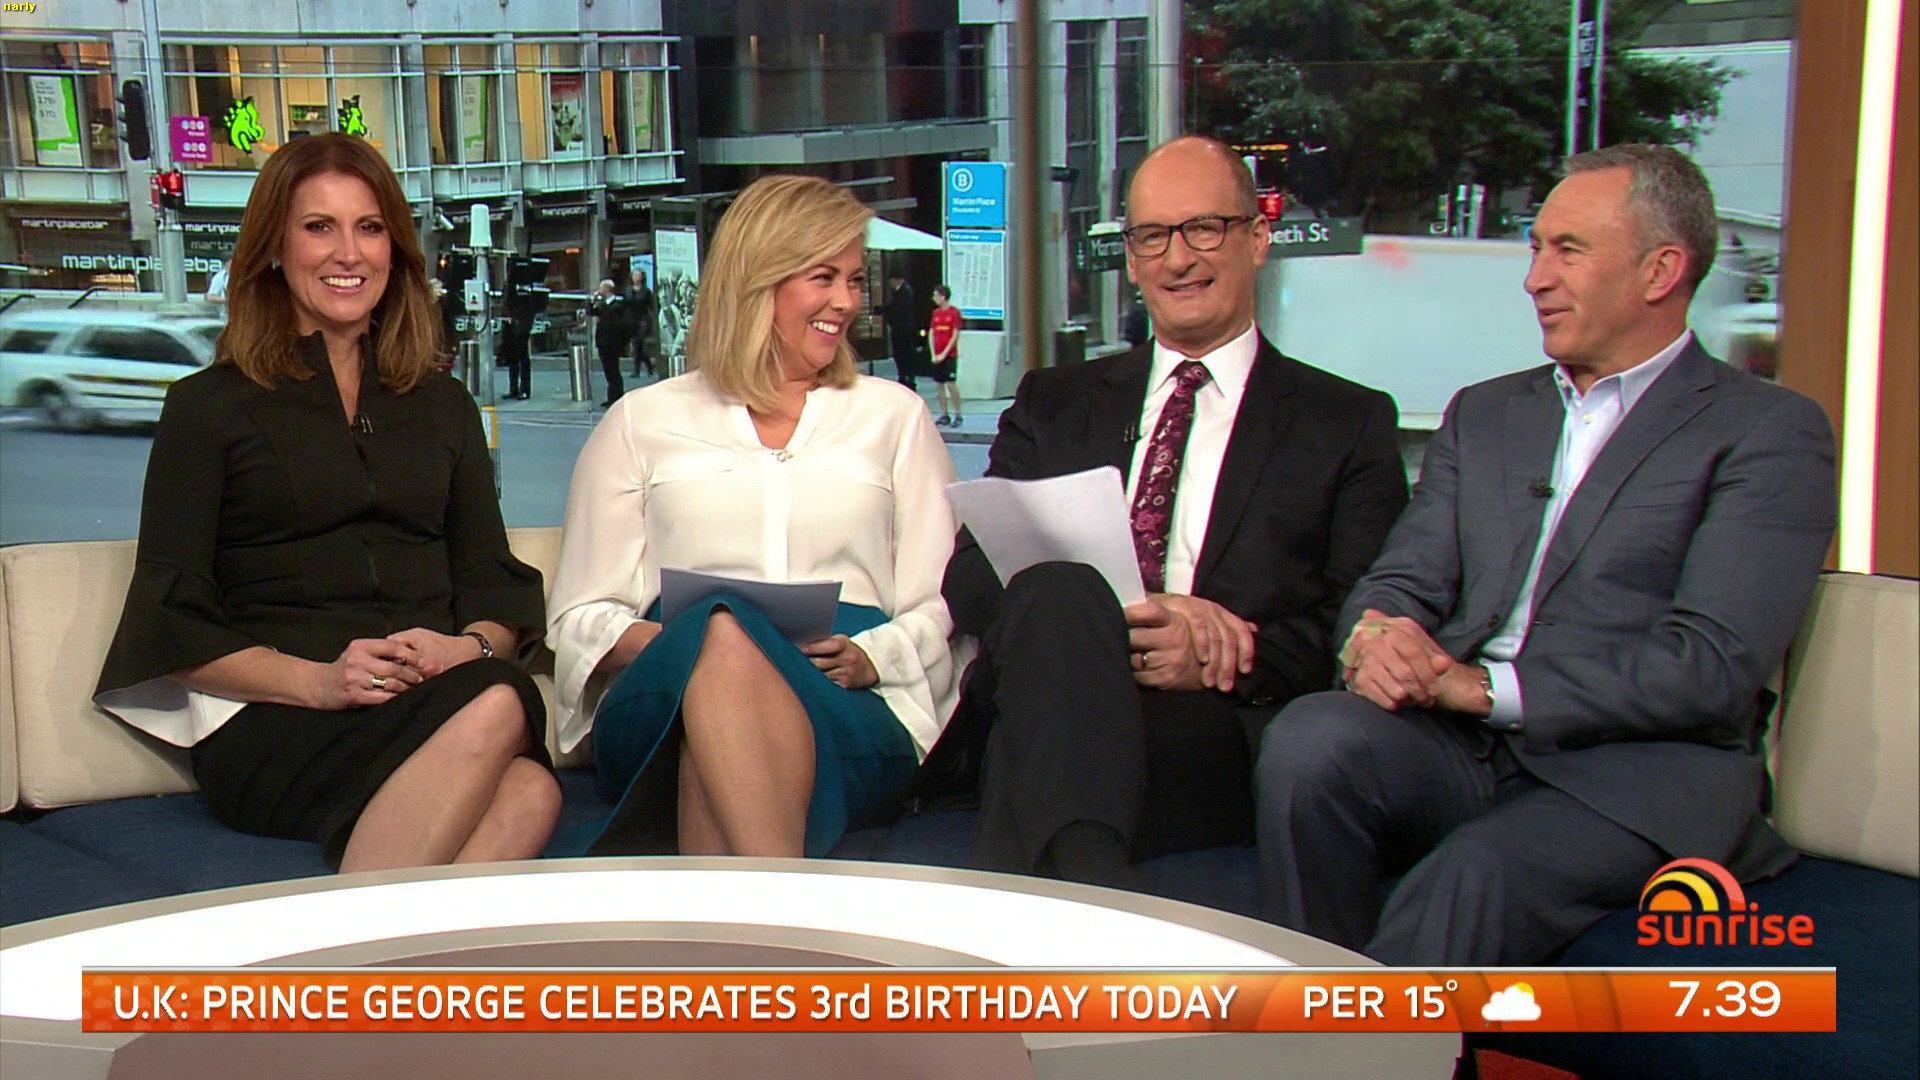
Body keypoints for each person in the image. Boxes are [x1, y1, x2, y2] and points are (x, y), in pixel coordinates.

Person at [1255, 144, 1838, 966]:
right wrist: (1377, 636)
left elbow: (1710, 664)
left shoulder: (1767, 431)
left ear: (1661, 271)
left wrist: (1483, 687)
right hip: (1460, 746)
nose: (1535, 278)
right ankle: (1316, 998)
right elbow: (1403, 577)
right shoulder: (1486, 413)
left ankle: (1360, 1035)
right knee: (1311, 740)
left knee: (1473, 875)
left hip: (1635, 773)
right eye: (1536, 249)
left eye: (1568, 250)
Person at [931, 136, 1409, 888]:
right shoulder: (1054, 401)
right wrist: (1109, 613)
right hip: (1042, 681)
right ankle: (1092, 889)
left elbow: (1359, 622)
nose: (1178, 259)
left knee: (1038, 755)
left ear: (1258, 238)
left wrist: (1222, 649)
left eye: (1203, 229)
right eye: (1152, 236)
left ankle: (1062, 897)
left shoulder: (1344, 422)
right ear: (1130, 258)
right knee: (1059, 590)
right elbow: (970, 581)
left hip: (1202, 721)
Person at [92, 132, 559, 874]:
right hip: (279, 719)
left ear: (394, 250)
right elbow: (171, 620)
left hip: (435, 697)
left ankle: (374, 944)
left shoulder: (443, 406)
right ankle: (358, 937)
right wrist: (319, 681)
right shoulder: (207, 408)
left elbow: (491, 584)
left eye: (369, 228)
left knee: (532, 789)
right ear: (275, 248)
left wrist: (462, 649)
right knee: (504, 706)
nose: (349, 253)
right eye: (319, 227)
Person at [546, 175, 961, 859]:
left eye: (855, 280)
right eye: (823, 277)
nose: (846, 301)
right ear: (757, 281)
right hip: (664, 684)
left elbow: (938, 602)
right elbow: (577, 618)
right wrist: (696, 645)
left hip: (842, 693)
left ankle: (744, 915)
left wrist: (875, 653)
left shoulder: (897, 418)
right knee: (723, 641)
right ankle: (785, 907)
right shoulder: (641, 421)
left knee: (711, 741)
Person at [588, 278, 629, 408]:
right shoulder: (604, 304)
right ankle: (612, 397)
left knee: (613, 372)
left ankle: (616, 397)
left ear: (606, 289)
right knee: (608, 372)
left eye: (601, 288)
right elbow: (590, 312)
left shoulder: (617, 305)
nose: (599, 291)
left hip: (612, 344)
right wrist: (592, 301)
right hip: (603, 343)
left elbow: (614, 324)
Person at [927, 284, 963, 426]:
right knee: (939, 384)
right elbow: (931, 333)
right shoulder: (936, 313)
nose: (934, 298)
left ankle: (958, 414)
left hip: (949, 355)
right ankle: (944, 414)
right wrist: (933, 353)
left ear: (943, 297)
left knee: (950, 384)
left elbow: (955, 336)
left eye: (936, 295)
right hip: (937, 355)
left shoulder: (954, 313)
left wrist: (944, 354)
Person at [886, 273, 920, 391]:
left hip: (904, 329)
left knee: (906, 354)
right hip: (898, 328)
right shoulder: (897, 292)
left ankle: (909, 378)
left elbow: (900, 310)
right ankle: (902, 375)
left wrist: (888, 312)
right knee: (899, 353)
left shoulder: (906, 292)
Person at [627, 265, 659, 379]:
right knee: (638, 346)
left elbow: (652, 306)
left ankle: (636, 370)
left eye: (638, 275)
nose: (636, 277)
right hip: (631, 320)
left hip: (643, 320)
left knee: (637, 344)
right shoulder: (628, 290)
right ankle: (649, 366)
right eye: (634, 275)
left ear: (642, 277)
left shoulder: (646, 291)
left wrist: (653, 320)